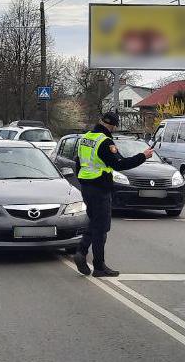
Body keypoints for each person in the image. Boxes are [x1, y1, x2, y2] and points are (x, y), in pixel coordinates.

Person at [74, 111, 153, 277]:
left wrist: (83, 180)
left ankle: (81, 252)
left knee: (94, 222)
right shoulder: (105, 141)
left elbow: (78, 162)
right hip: (100, 188)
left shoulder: (86, 137)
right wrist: (143, 156)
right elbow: (120, 164)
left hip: (86, 186)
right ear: (113, 126)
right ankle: (99, 267)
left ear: (100, 120)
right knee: (101, 229)